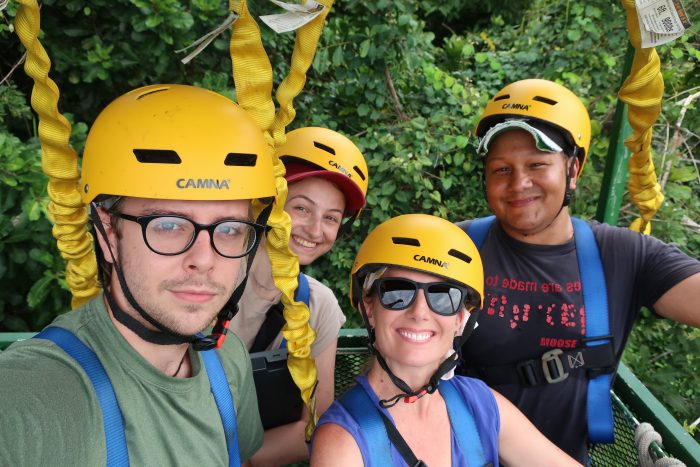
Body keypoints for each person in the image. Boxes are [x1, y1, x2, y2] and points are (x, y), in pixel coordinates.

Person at [0, 84, 278, 465]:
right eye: (167, 225)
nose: (204, 259)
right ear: (106, 232)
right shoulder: (32, 394)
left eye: (229, 229)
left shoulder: (227, 359)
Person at [455, 78, 700, 463]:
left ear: (574, 168)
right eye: (502, 169)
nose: (519, 184)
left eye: (537, 164)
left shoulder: (623, 255)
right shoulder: (456, 248)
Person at [310, 214, 581, 466]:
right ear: (369, 309)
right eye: (397, 292)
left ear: (462, 319)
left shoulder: (479, 405)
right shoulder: (343, 441)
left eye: (443, 297)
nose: (419, 312)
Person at [231, 127, 369, 466]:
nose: (314, 230)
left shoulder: (318, 306)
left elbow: (313, 422)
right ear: (269, 203)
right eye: (302, 209)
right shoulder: (207, 279)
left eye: (331, 218)